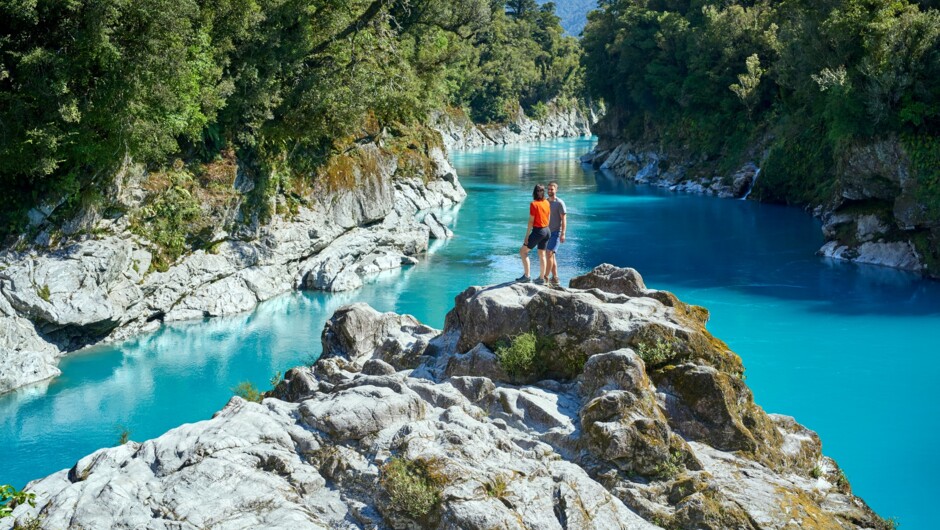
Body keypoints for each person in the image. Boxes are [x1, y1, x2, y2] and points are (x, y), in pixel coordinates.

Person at [517, 184, 551, 283]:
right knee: (542, 254)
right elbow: (549, 217)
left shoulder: (533, 204)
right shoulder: (547, 202)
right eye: (539, 191)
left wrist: (527, 236)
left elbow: (531, 221)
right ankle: (541, 279)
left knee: (523, 252)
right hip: (547, 230)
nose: (540, 192)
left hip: (538, 231)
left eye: (541, 191)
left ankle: (527, 276)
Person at [545, 181, 567, 287]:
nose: (549, 191)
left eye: (552, 189)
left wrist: (563, 233)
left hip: (556, 233)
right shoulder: (545, 202)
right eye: (548, 189)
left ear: (556, 190)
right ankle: (555, 278)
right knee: (552, 256)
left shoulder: (560, 203)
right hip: (546, 233)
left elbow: (564, 219)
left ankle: (545, 277)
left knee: (549, 253)